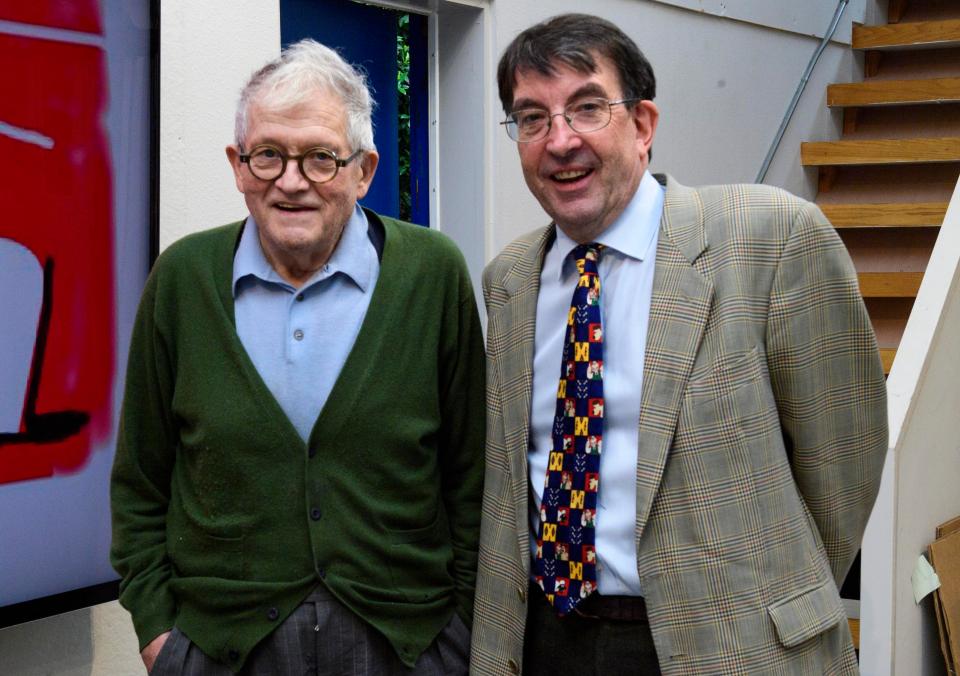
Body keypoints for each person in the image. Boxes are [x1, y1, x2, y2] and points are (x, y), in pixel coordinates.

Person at [471, 13, 887, 675]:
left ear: (642, 125)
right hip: (550, 642)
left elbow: (846, 465)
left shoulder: (771, 239)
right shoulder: (509, 282)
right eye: (531, 118)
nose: (560, 140)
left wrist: (773, 600)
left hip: (731, 646)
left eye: (586, 108)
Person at [111, 39, 484, 675]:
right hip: (222, 646)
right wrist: (160, 638)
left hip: (404, 643)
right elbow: (140, 482)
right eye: (268, 156)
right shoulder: (182, 280)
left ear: (363, 170)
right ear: (237, 164)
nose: (290, 181)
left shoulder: (432, 274)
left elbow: (473, 477)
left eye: (320, 159)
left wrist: (464, 633)